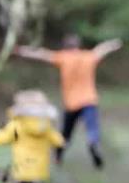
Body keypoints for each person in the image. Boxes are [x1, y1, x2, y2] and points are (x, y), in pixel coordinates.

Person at [13, 34, 122, 168]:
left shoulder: (63, 57)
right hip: (89, 100)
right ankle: (93, 143)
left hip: (71, 103)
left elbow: (42, 54)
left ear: (65, 47)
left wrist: (22, 50)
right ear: (78, 46)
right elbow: (101, 49)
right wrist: (113, 43)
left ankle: (58, 156)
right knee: (92, 127)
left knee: (66, 133)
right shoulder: (88, 56)